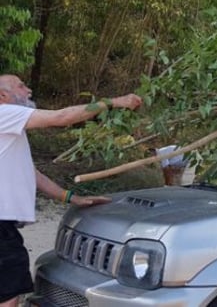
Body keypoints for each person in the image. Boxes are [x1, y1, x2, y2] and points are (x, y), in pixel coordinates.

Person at [0, 74, 142, 307]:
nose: (28, 90)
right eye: (21, 86)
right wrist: (113, 102)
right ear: (3, 96)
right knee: (8, 292)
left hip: (4, 224)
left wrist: (69, 197)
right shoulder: (4, 113)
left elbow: (31, 173)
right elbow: (62, 117)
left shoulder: (9, 131)